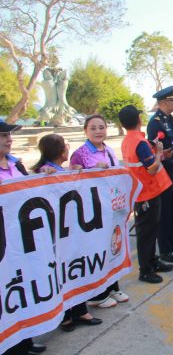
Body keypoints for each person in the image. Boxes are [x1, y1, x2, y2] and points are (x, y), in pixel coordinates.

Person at [28, 134, 103, 333]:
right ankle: (65, 315)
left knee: (74, 270)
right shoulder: (45, 171)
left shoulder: (63, 169)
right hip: (56, 233)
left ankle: (80, 310)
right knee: (61, 273)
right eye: (64, 145)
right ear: (59, 151)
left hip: (71, 231)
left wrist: (74, 172)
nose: (67, 148)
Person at [69, 115, 128, 308]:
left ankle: (113, 287)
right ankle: (97, 295)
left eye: (101, 127)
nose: (98, 131)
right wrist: (92, 170)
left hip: (111, 207)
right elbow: (73, 181)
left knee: (113, 246)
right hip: (92, 211)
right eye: (93, 128)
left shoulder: (109, 150)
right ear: (85, 131)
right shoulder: (80, 154)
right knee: (98, 250)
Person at [0, 120, 48, 354]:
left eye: (9, 135)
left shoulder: (16, 164)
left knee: (23, 287)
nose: (9, 139)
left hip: (22, 238)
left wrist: (45, 177)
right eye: (3, 135)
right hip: (3, 242)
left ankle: (26, 340)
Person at [119, 105, 173, 282]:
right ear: (139, 120)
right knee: (147, 233)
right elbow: (151, 168)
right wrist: (158, 154)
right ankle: (145, 270)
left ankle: (152, 261)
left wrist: (159, 154)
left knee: (149, 231)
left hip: (141, 191)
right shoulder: (139, 142)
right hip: (147, 192)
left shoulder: (128, 140)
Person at [147, 86, 173, 263]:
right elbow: (155, 151)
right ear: (164, 102)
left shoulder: (170, 120)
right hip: (163, 172)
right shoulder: (155, 123)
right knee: (164, 213)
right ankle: (165, 250)